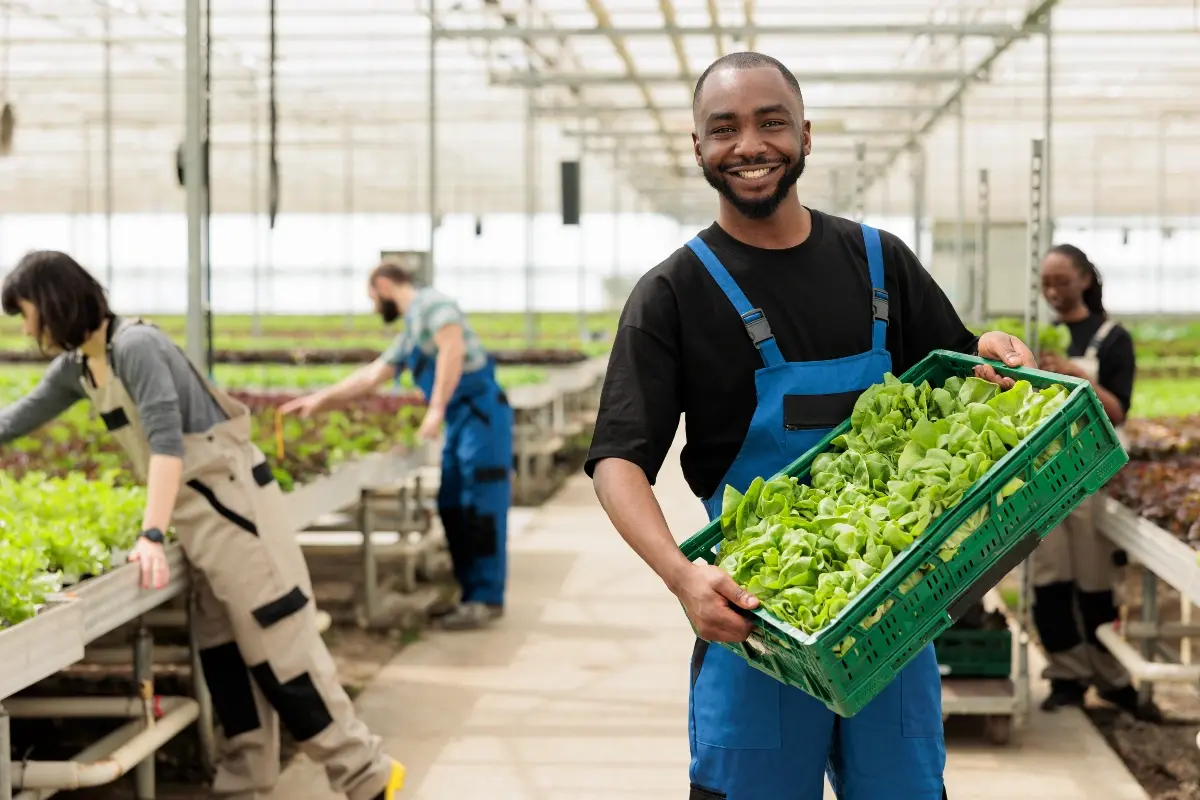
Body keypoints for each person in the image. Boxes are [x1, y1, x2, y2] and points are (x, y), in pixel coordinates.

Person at [583, 52, 1037, 800]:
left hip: (893, 614)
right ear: (697, 147)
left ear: (805, 135)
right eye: (723, 129)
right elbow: (617, 461)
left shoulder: (879, 261)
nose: (749, 146)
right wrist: (681, 577)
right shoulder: (673, 291)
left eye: (771, 123)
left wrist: (988, 349)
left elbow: (959, 373)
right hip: (755, 623)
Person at [1, 253, 407, 800]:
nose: (27, 329)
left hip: (231, 509)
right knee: (225, 657)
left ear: (55, 303)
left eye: (27, 314)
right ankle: (246, 780)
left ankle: (370, 777)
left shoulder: (137, 347)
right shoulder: (79, 366)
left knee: (279, 650)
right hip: (195, 522)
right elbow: (14, 420)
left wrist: (149, 534)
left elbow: (167, 444)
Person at [281, 262, 513, 632]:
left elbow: (451, 348)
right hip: (461, 421)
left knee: (480, 506)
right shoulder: (411, 329)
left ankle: (486, 599)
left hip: (482, 417)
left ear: (385, 285)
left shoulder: (433, 305)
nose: (375, 307)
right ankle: (469, 595)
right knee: (451, 504)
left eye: (373, 297)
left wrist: (435, 409)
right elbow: (373, 375)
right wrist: (319, 400)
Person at [1032, 243, 1159, 721]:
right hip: (1046, 477)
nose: (1052, 291)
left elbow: (1120, 409)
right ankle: (1066, 677)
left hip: (1093, 477)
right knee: (1050, 581)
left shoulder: (1111, 338)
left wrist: (1074, 376)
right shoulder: (1041, 335)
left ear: (1085, 279)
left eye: (1061, 281)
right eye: (1046, 283)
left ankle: (1111, 679)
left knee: (1094, 583)